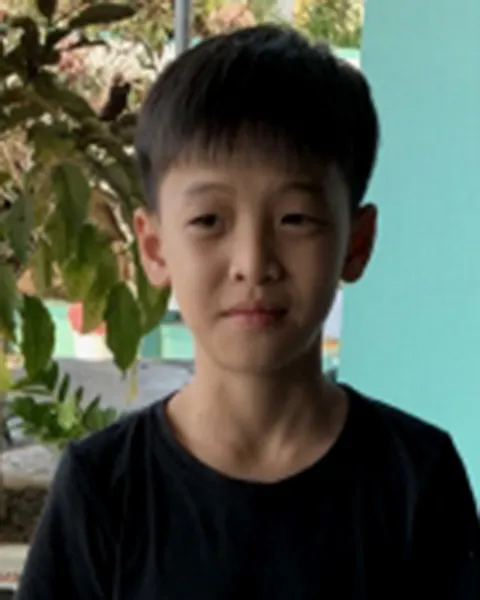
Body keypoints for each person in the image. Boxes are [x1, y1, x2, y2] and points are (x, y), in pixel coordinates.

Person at [16, 24, 479, 600]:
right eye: (209, 220)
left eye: (295, 219)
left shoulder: (416, 478)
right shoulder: (104, 487)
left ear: (356, 243)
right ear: (155, 248)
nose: (253, 262)